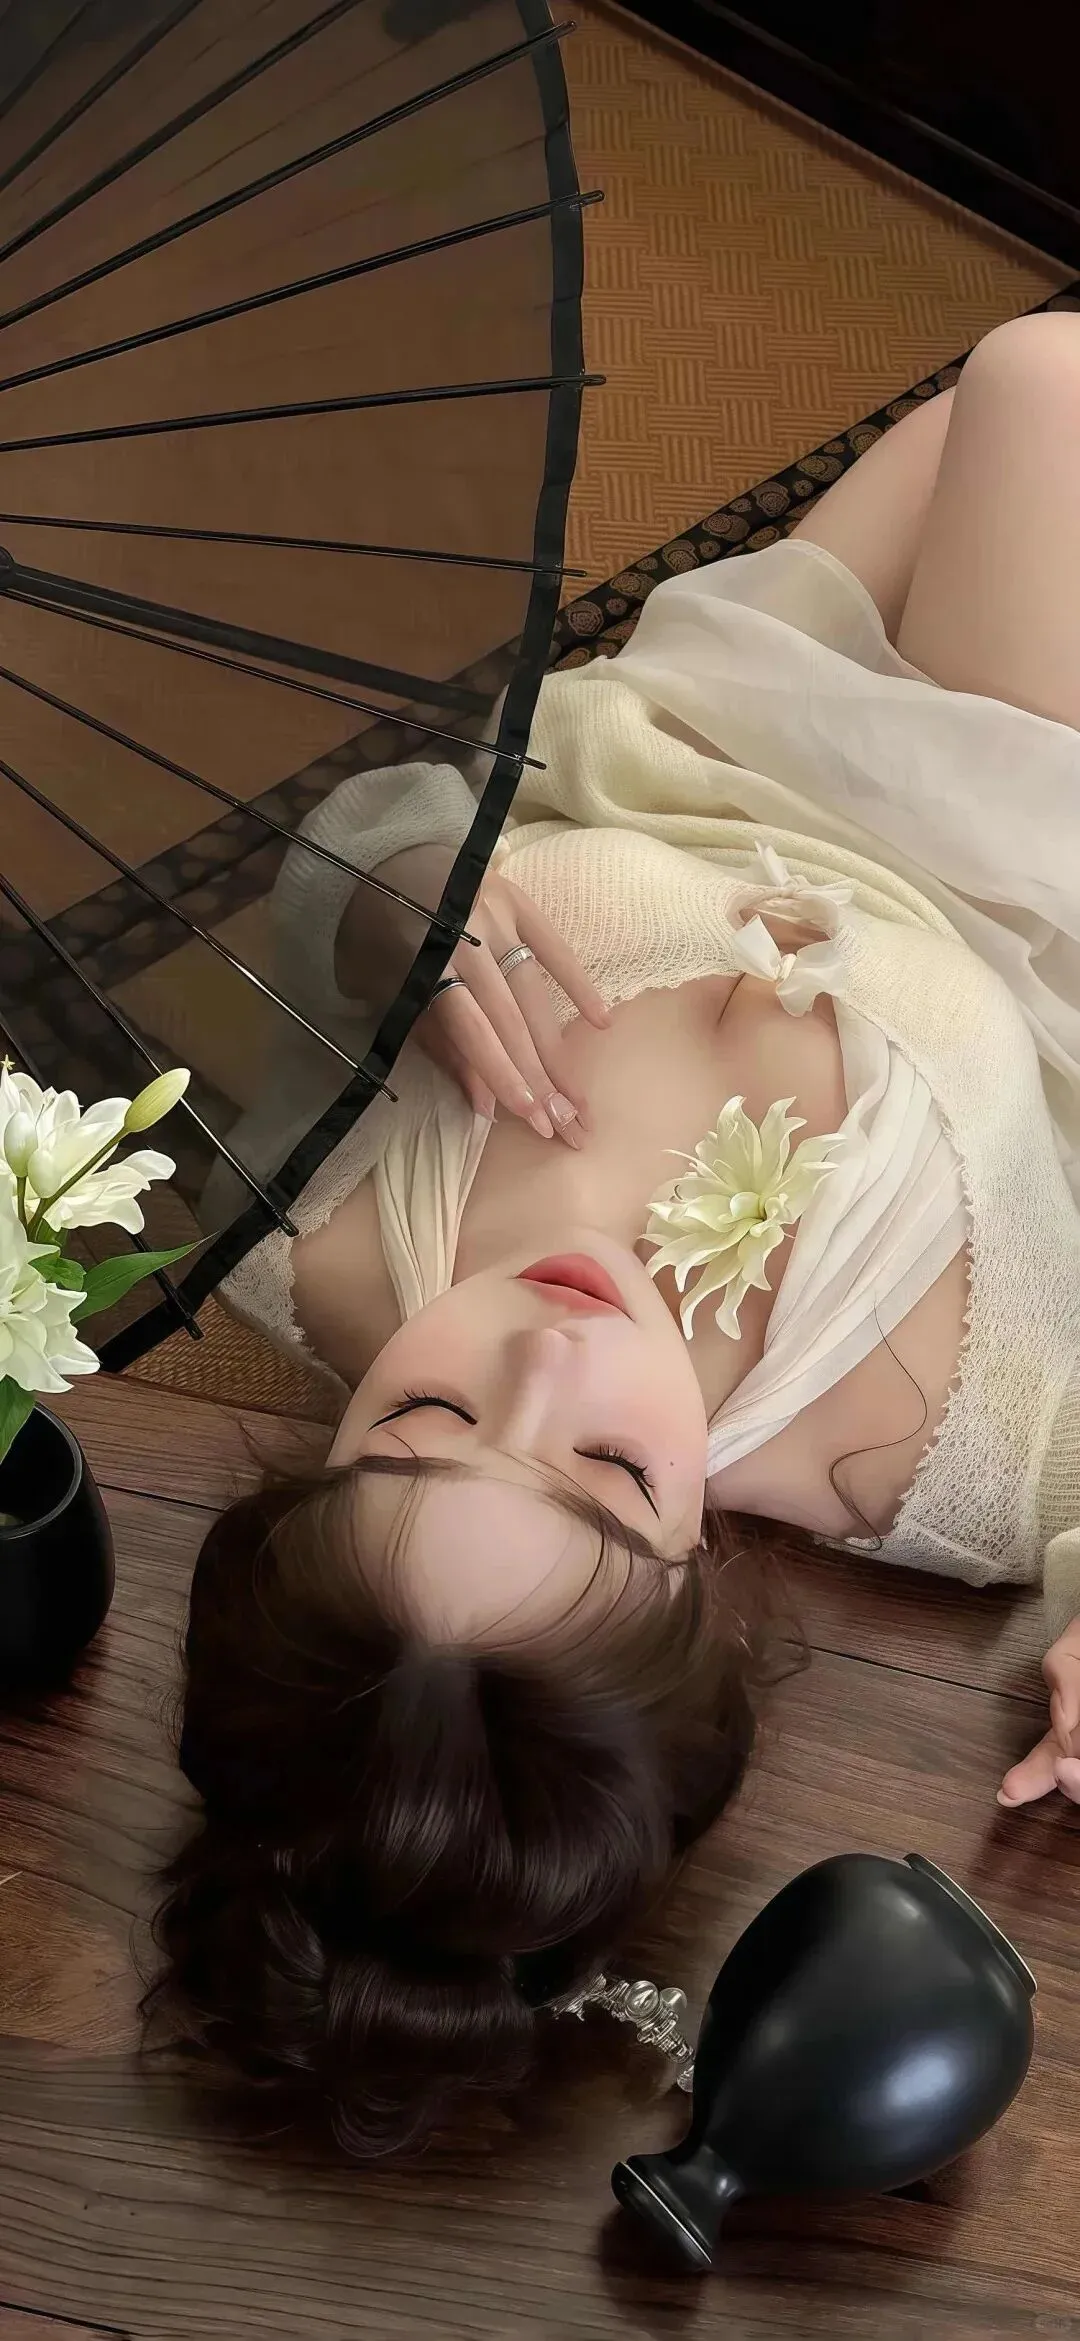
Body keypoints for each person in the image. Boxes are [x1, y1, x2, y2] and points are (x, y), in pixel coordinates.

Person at [152, 313, 1080, 2157]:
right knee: (1041, 382)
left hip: (708, 707)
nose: (553, 1346)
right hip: (1026, 838)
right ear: (699, 1593)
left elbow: (335, 857)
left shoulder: (307, 1239)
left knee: (991, 399)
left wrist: (401, 908)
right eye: (605, 1473)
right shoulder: (947, 1462)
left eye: (422, 1419)